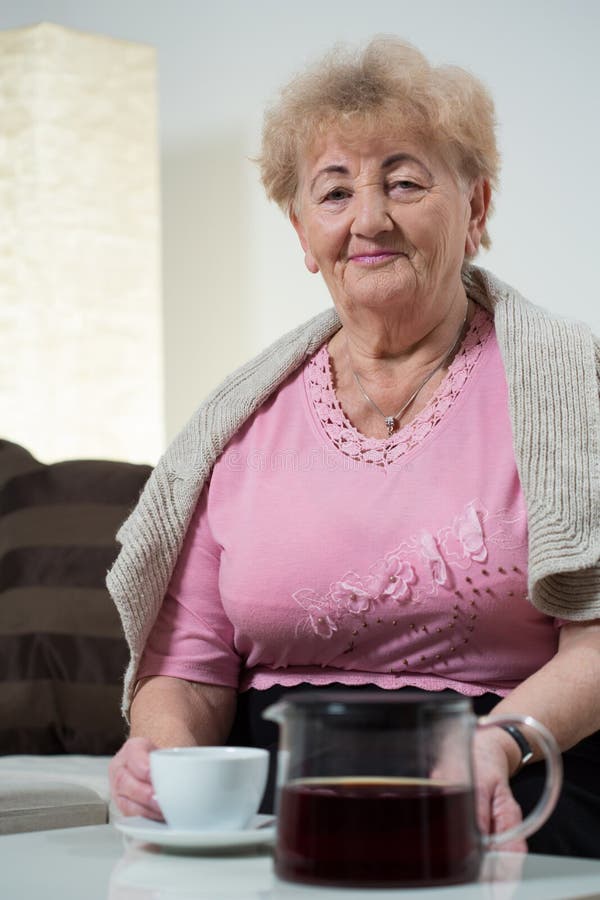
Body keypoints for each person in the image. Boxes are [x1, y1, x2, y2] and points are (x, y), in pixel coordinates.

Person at [107, 37, 600, 857]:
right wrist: (161, 755)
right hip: (279, 806)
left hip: (509, 781)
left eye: (405, 182)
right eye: (334, 193)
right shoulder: (238, 425)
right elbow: (186, 668)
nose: (369, 218)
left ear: (476, 209)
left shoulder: (572, 389)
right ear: (304, 234)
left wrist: (497, 744)